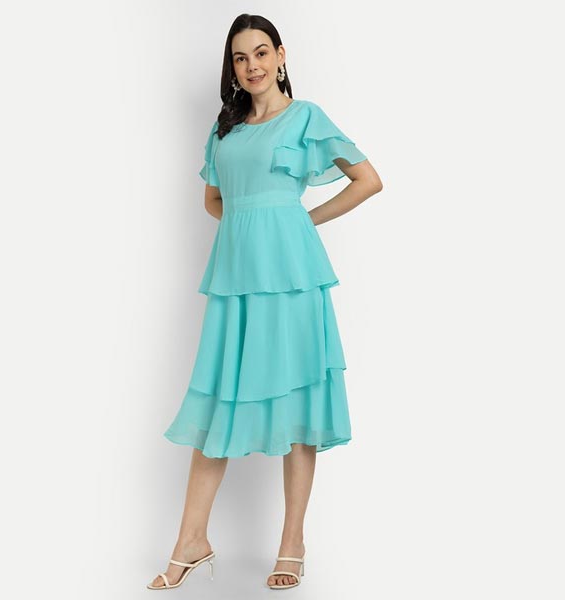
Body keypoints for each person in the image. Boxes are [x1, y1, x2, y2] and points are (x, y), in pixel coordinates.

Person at [148, 13, 383, 591]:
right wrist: (247, 229)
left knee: (299, 399)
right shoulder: (225, 129)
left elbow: (368, 179)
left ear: (280, 55)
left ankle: (292, 543)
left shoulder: (306, 117)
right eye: (239, 57)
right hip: (235, 279)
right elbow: (214, 201)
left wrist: (300, 222)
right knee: (218, 399)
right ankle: (191, 540)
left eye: (260, 52)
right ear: (232, 69)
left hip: (293, 277)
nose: (251, 65)